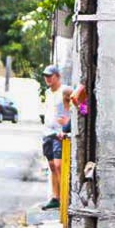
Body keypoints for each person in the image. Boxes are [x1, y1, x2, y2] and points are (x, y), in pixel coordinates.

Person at [40, 64, 87, 211]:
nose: (47, 79)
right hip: (48, 133)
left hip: (60, 134)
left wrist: (70, 122)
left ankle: (66, 199)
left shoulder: (65, 90)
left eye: (50, 76)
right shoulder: (47, 92)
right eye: (46, 76)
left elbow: (82, 104)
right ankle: (56, 197)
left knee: (60, 165)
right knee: (53, 167)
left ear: (57, 76)